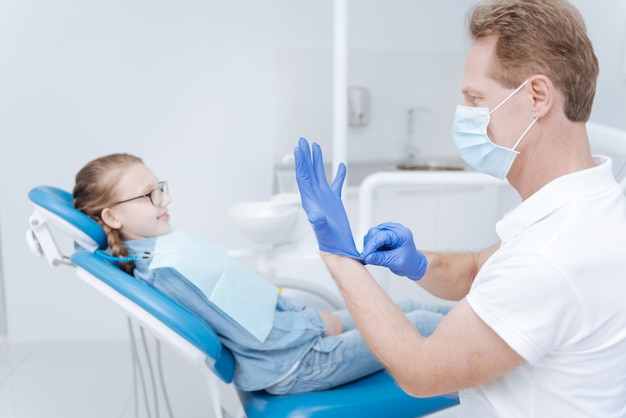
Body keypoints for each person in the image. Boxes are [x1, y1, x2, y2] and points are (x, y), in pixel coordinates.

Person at [293, 0, 626, 416]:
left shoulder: (551, 256)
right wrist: (417, 263)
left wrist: (338, 256)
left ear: (538, 96)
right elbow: (474, 270)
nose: (465, 115)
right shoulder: (587, 205)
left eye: (475, 97)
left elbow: (421, 371)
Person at [71, 152, 451, 396]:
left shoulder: (168, 246)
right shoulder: (166, 270)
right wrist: (319, 326)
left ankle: (496, 323)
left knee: (404, 306)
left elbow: (248, 296)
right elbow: (250, 334)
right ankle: (501, 339)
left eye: (161, 189)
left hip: (298, 339)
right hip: (293, 364)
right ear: (112, 216)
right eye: (149, 195)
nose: (164, 199)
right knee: (416, 322)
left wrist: (311, 319)